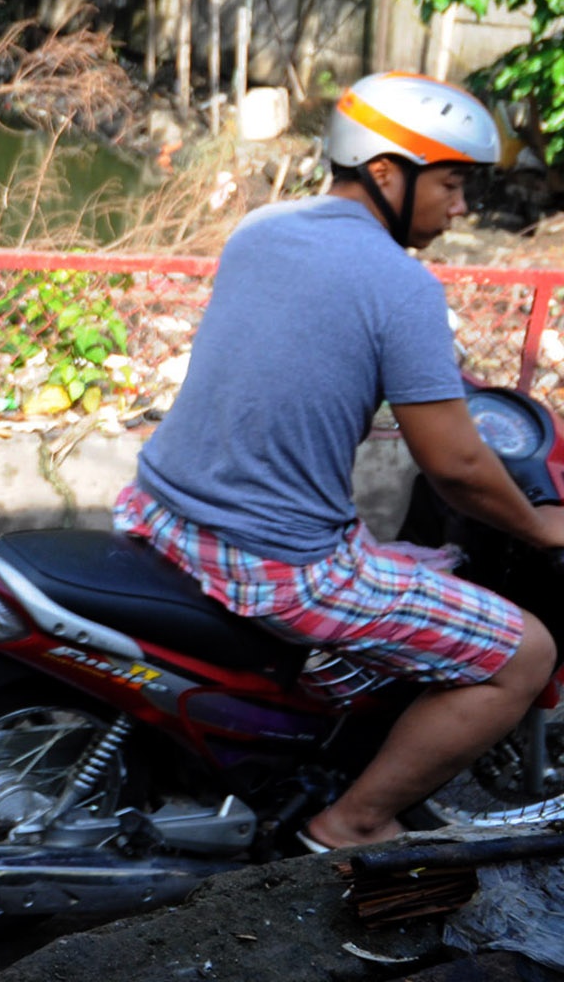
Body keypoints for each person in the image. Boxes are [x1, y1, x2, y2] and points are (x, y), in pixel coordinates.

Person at [115, 71, 564, 852]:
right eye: (453, 185)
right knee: (526, 653)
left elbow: (314, 347)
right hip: (280, 564)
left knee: (434, 563)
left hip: (164, 512)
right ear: (387, 172)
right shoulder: (402, 285)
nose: (462, 210)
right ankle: (354, 821)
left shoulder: (261, 229)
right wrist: (541, 527)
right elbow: (456, 465)